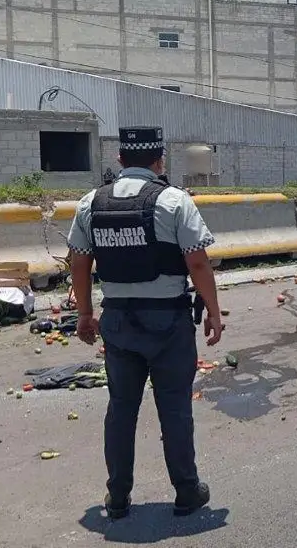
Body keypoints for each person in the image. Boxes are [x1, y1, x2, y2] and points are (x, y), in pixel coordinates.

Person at [67, 126, 224, 520]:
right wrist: (214, 311)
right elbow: (198, 261)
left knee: (121, 408)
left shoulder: (91, 202)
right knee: (174, 409)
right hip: (168, 321)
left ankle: (117, 497)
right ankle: (187, 492)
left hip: (119, 320)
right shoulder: (174, 201)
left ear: (120, 160)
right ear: (159, 161)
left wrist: (86, 314)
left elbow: (79, 261)